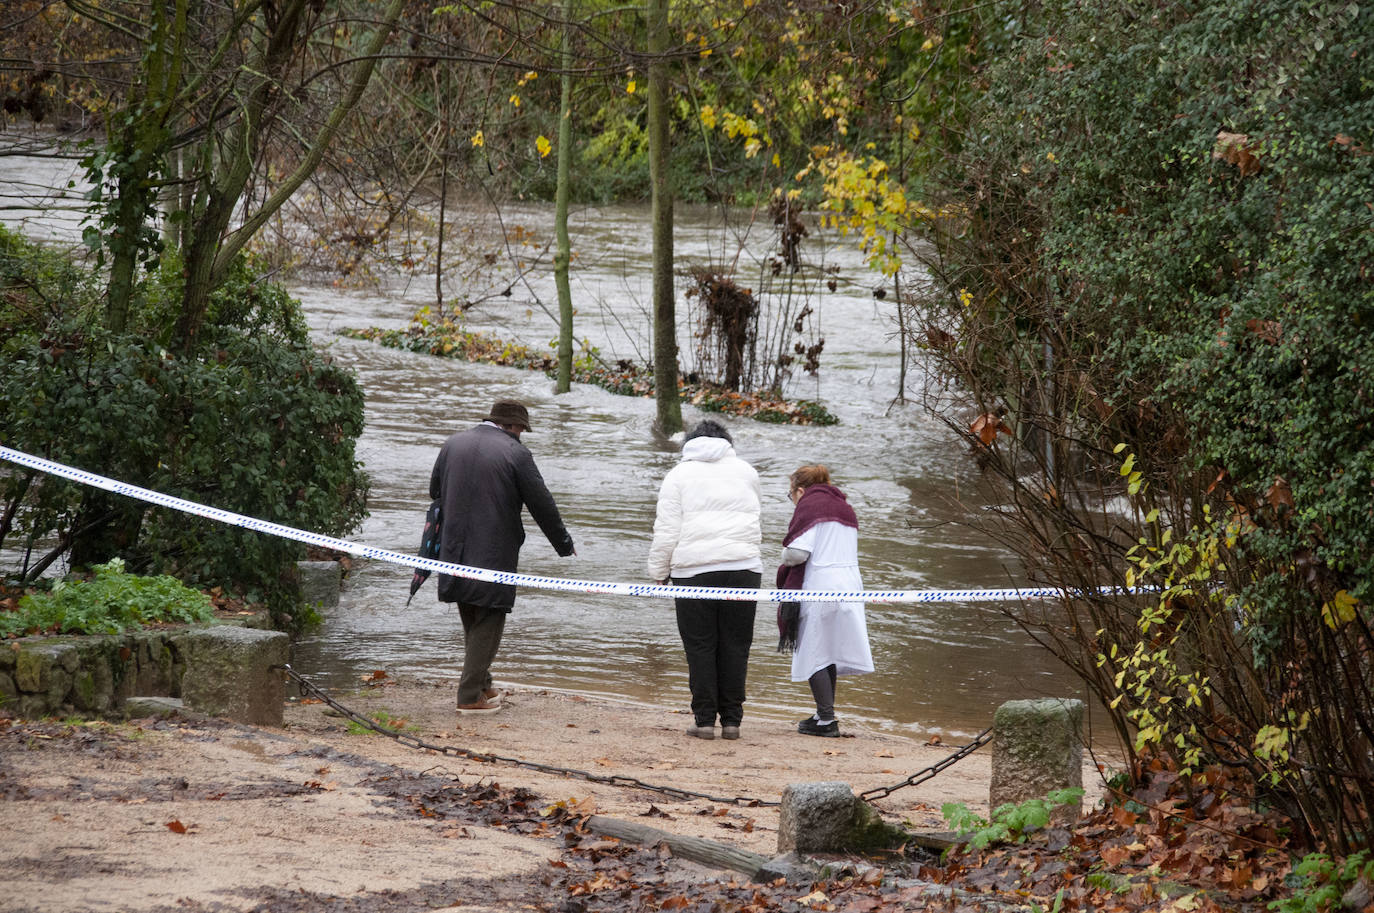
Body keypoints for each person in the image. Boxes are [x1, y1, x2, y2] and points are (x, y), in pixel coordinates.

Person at [430, 399, 575, 714]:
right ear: (515, 426)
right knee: (490, 615)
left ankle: (482, 682)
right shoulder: (516, 453)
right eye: (522, 429)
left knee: (470, 607)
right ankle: (469, 696)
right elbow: (542, 503)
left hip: (452, 546)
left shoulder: (453, 443)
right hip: (493, 550)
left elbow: (435, 491)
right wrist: (563, 543)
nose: (522, 435)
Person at [648, 419, 763, 741]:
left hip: (694, 571)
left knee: (699, 646)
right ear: (727, 442)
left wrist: (658, 573)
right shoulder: (747, 471)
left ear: (689, 443)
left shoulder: (678, 475)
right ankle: (732, 721)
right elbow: (755, 518)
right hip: (744, 569)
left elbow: (667, 530)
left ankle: (703, 721)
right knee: (736, 646)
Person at [777, 464, 873, 737]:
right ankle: (822, 715)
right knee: (828, 649)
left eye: (790, 495)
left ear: (799, 490)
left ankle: (827, 720)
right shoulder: (844, 507)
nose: (793, 500)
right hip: (850, 583)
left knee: (815, 649)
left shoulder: (811, 505)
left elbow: (797, 554)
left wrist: (782, 556)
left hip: (821, 584)